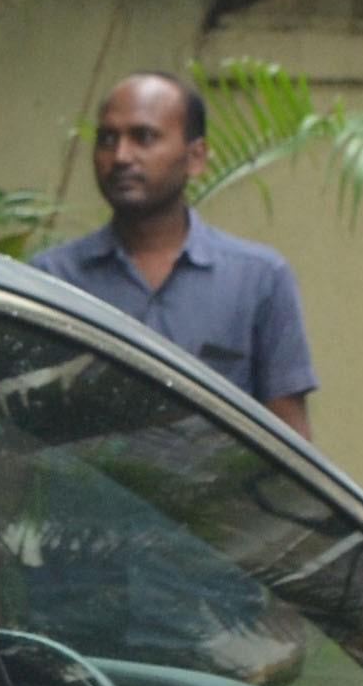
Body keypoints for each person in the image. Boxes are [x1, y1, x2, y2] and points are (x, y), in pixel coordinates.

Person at [33, 71, 317, 434]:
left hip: (214, 492)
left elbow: (288, 433)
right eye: (107, 139)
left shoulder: (257, 279)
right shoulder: (53, 279)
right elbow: (23, 430)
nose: (120, 156)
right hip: (85, 490)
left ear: (195, 157)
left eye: (144, 137)